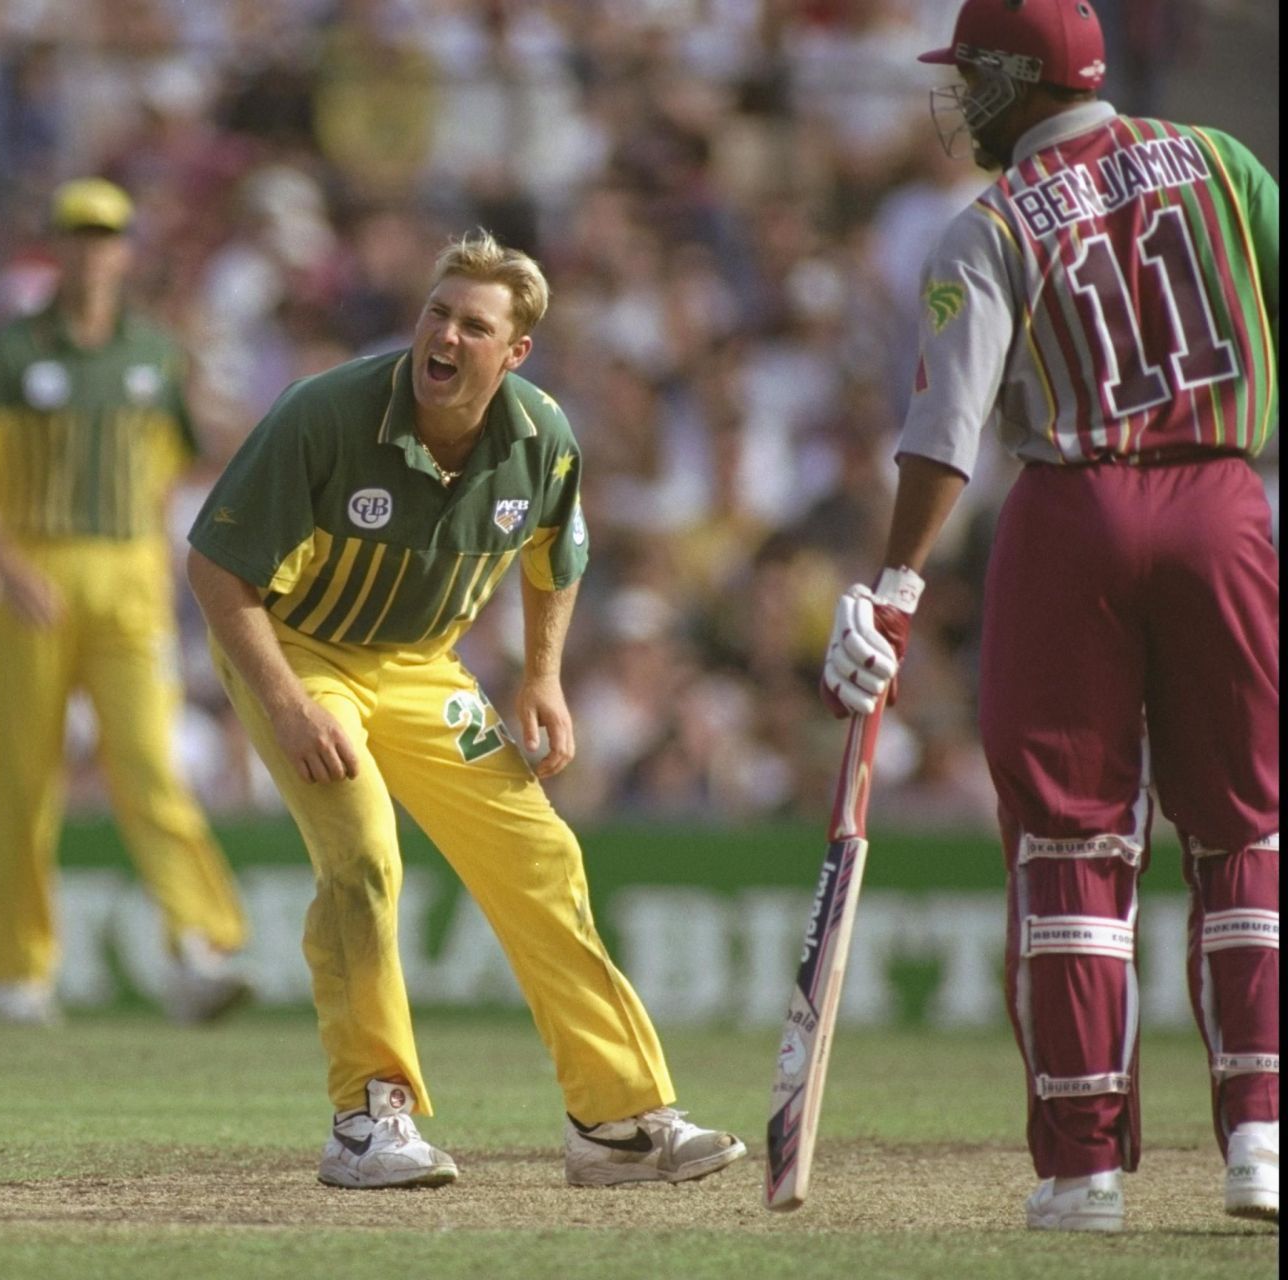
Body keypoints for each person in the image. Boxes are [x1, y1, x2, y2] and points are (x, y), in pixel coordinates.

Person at [821, 0, 1277, 1231]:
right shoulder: (1228, 165)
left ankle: (1084, 1172)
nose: (962, 99)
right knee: (1246, 826)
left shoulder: (990, 224)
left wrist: (896, 584)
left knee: (1074, 847)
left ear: (1024, 79)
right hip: (1228, 501)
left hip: (1071, 512)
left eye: (974, 76)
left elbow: (945, 430)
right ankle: (1263, 1140)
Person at [187, 229, 747, 1190]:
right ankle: (370, 1118)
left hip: (421, 666)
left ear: (514, 351)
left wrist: (542, 677)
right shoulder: (325, 413)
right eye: (436, 313)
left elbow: (555, 557)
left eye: (473, 325)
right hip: (300, 651)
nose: (443, 336)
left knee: (541, 854)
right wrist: (284, 702)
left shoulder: (542, 437)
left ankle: (613, 1121)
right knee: (363, 854)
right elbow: (214, 568)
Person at [0, 177, 249, 1026]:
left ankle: (198, 944)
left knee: (151, 763)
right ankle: (18, 971)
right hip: (36, 571)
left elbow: (172, 466)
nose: (92, 250)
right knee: (24, 778)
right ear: (56, 245)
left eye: (107, 234)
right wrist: (8, 569)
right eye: (77, 233)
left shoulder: (151, 355)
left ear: (126, 249)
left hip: (128, 579)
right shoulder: (8, 354)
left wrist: (156, 565)